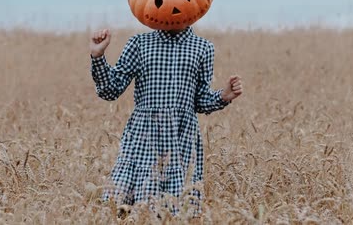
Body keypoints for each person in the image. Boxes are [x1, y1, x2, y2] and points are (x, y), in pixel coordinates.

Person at [89, 26, 243, 214]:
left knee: (176, 208)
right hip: (144, 137)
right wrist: (98, 56)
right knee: (124, 206)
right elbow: (110, 90)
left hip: (180, 140)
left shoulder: (203, 48)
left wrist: (222, 96)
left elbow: (199, 101)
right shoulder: (139, 43)